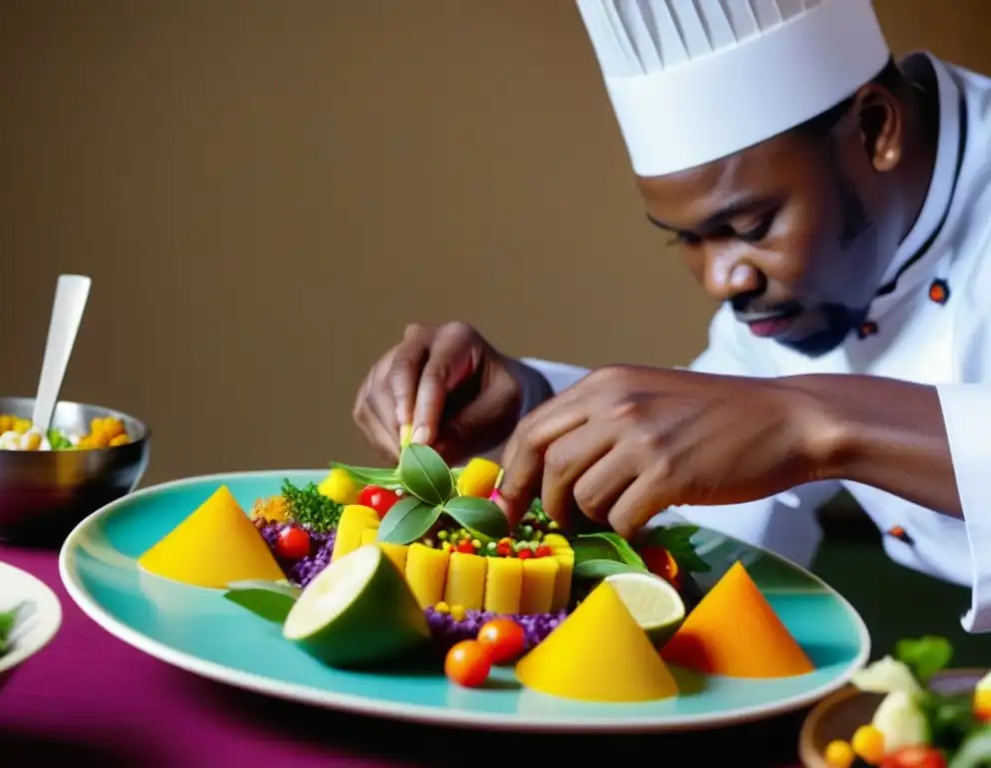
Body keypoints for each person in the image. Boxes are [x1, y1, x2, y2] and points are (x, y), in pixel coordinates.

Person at [351, 0, 991, 634]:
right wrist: (532, 405)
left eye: (750, 226)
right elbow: (719, 479)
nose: (722, 280)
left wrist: (813, 420)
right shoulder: (802, 285)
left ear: (876, 129)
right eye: (683, 238)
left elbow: (783, 419)